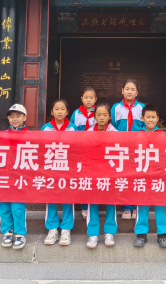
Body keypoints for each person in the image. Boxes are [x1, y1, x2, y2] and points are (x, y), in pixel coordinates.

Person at [41, 99, 78, 246]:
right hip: (51, 169)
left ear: (67, 112)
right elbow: (41, 148)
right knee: (51, 198)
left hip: (68, 169)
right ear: (51, 112)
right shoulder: (46, 128)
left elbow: (78, 148)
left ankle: (66, 229)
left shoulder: (73, 128)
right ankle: (52, 229)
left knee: (68, 199)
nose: (60, 111)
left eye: (63, 109)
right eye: (56, 109)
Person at [134, 105, 166, 248]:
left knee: (161, 206)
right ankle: (141, 234)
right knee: (142, 206)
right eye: (148, 117)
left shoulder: (163, 136)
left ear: (157, 119)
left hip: (159, 177)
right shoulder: (137, 135)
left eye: (153, 117)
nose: (150, 120)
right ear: (142, 118)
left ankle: (162, 234)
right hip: (142, 177)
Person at [111, 78, 145, 220]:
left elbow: (145, 127)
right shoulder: (116, 108)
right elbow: (113, 126)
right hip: (121, 149)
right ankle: (126, 207)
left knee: (137, 176)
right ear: (122, 91)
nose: (129, 92)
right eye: (127, 89)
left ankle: (136, 206)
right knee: (123, 177)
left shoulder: (141, 107)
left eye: (132, 89)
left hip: (137, 148)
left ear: (137, 92)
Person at [85, 102, 117, 248]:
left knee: (110, 202)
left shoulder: (115, 133)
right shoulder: (88, 133)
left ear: (110, 116)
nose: (102, 117)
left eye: (105, 115)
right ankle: (93, 234)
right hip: (93, 173)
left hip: (110, 173)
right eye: (99, 115)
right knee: (92, 203)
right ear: (94, 116)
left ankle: (109, 232)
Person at [0, 104, 28, 250]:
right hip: (4, 175)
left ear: (25, 117)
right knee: (3, 205)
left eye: (18, 116)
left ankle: (20, 233)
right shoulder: (2, 135)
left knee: (17, 206)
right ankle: (7, 231)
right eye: (11, 116)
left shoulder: (30, 136)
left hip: (20, 176)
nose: (15, 119)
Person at [70, 87, 97, 219]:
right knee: (83, 178)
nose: (88, 100)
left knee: (93, 177)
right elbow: (71, 129)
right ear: (82, 98)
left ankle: (92, 204)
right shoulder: (76, 114)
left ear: (95, 99)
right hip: (80, 151)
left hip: (94, 150)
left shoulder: (99, 113)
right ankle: (84, 206)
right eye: (86, 98)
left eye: (91, 98)